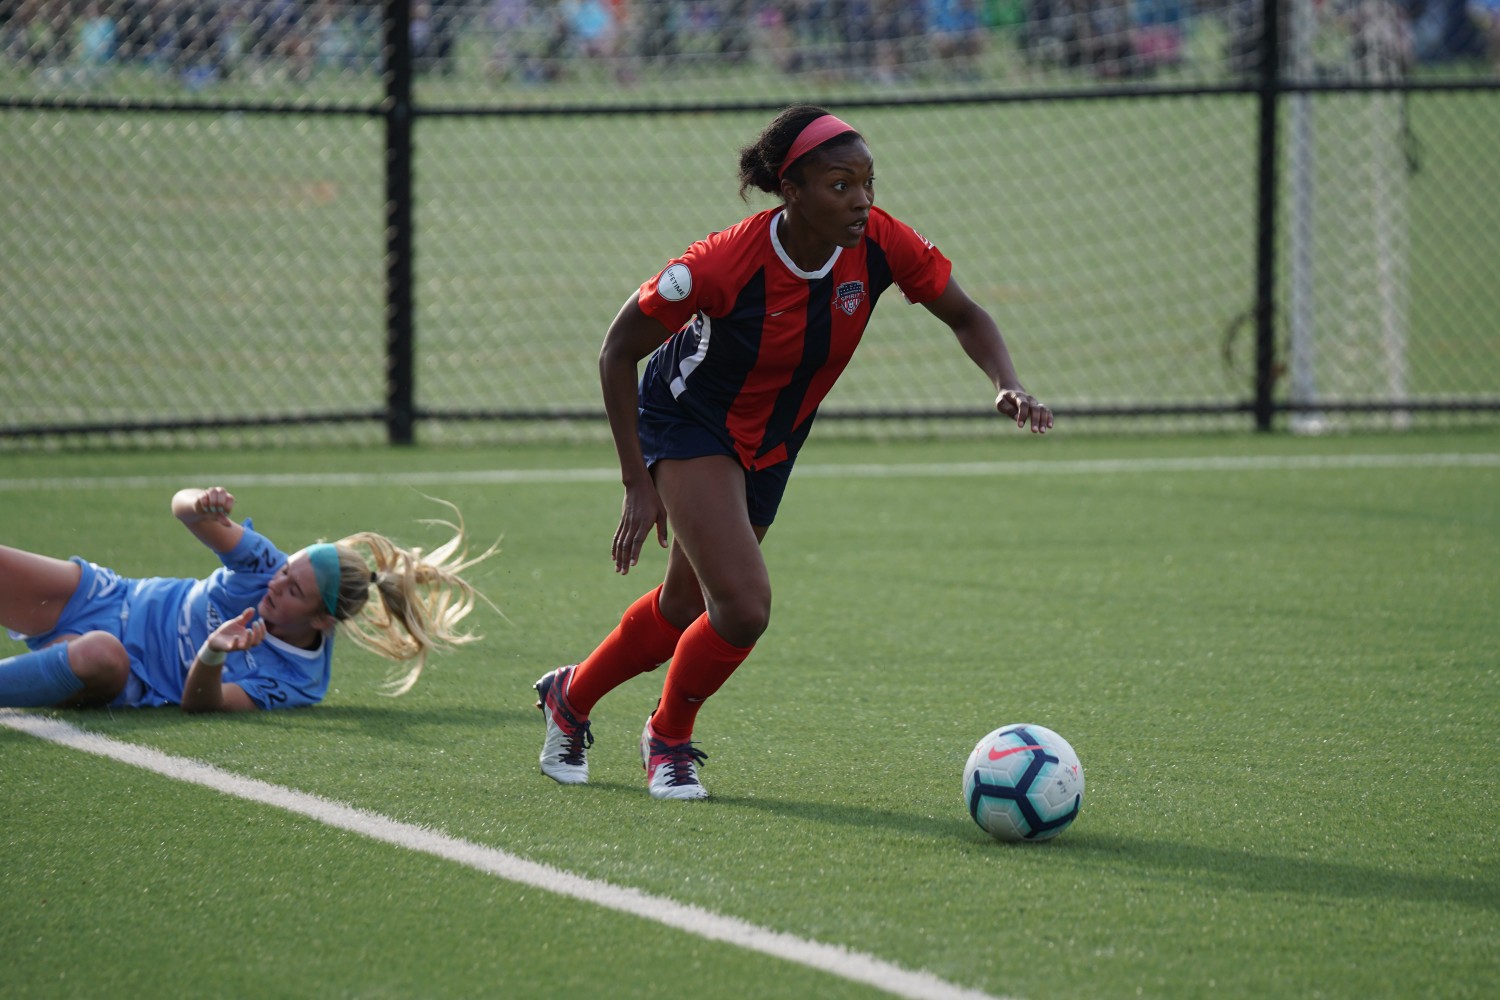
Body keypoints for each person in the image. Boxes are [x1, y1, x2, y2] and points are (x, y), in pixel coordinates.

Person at [534, 105, 1052, 800]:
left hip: (774, 439)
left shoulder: (881, 243)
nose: (862, 199)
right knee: (744, 605)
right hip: (690, 420)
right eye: (841, 184)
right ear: (794, 189)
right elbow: (616, 350)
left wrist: (1007, 384)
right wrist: (637, 481)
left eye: (868, 182)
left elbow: (967, 314)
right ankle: (668, 737)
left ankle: (570, 697)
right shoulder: (720, 263)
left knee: (687, 603)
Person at [0, 487, 496, 712]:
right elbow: (183, 510)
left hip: (126, 668)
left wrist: (212, 652)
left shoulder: (297, 682)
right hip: (108, 597)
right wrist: (200, 505)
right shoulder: (265, 567)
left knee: (99, 651)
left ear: (322, 620)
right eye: (285, 572)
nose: (275, 585)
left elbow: (202, 705)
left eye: (293, 590)